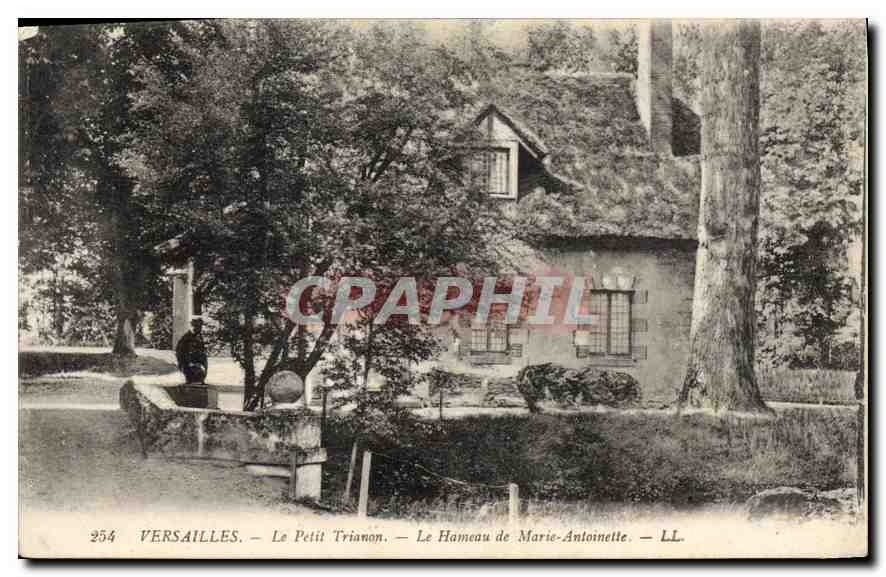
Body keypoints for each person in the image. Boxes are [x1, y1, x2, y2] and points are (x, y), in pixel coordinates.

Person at [176, 317, 208, 384]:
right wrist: (187, 362)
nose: (200, 329)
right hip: (188, 362)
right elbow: (180, 352)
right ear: (194, 327)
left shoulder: (198, 336)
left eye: (201, 327)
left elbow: (201, 350)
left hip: (198, 361)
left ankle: (200, 380)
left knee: (200, 372)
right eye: (199, 327)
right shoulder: (187, 338)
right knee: (192, 374)